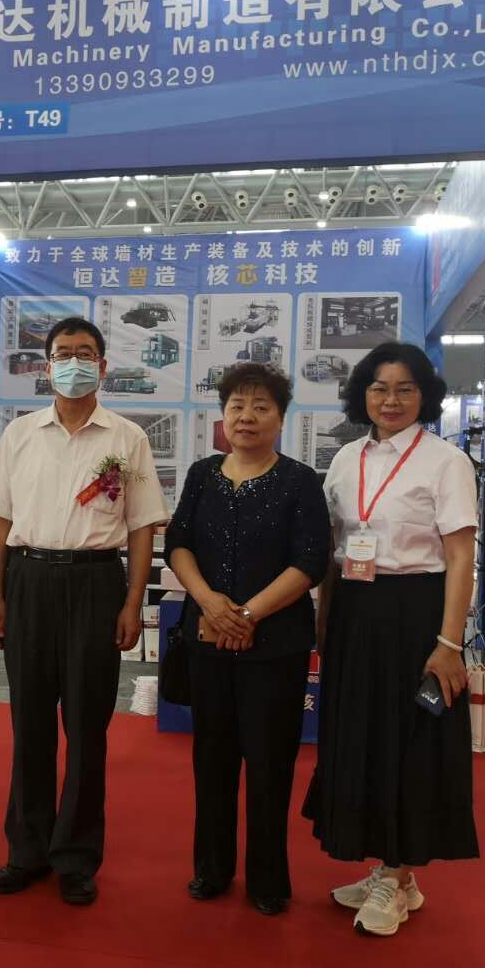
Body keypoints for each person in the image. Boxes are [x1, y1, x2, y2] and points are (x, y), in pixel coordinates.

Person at [0, 317, 168, 906]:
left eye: (85, 353)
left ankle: (77, 857)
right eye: (63, 353)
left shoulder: (127, 439)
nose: (74, 363)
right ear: (47, 366)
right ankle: (26, 850)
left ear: (103, 366)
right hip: (28, 578)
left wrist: (133, 601)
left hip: (95, 583)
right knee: (29, 724)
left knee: (87, 728)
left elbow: (142, 526)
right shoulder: (20, 435)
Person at [302, 341, 478, 937]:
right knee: (362, 736)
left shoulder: (446, 462)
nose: (391, 400)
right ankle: (389, 870)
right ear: (363, 394)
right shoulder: (346, 458)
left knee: (410, 741)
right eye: (379, 388)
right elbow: (334, 549)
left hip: (416, 612)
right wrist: (325, 623)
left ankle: (398, 875)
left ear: (425, 395)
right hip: (355, 610)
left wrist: (449, 644)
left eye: (405, 389)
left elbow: (460, 557)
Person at [166, 362, 330, 916]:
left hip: (275, 645)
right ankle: (211, 868)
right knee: (211, 759)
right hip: (207, 638)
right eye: (237, 405)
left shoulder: (300, 481)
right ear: (223, 414)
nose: (247, 416)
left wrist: (248, 614)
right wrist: (210, 603)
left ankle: (267, 878)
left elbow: (310, 561)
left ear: (281, 417)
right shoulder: (201, 474)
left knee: (269, 764)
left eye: (261, 406)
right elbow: (178, 544)